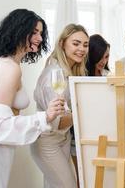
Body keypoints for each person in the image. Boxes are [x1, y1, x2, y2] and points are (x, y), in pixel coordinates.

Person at [0, 9, 64, 188]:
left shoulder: (9, 63)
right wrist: (45, 116)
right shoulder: (11, 68)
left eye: (41, 33)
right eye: (34, 32)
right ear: (18, 31)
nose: (40, 38)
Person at [31, 24, 89, 188]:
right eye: (76, 43)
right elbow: (58, 122)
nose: (82, 49)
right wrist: (85, 110)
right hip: (48, 141)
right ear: (63, 43)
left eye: (85, 45)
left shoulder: (70, 71)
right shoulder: (54, 74)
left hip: (63, 139)